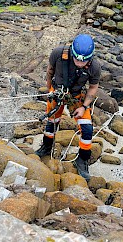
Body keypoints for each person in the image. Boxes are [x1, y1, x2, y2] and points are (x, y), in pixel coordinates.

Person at [35, 34, 101, 182]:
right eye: (76, 59)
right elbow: (50, 71)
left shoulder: (94, 67)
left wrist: (84, 107)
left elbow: (93, 86)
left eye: (83, 61)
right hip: (57, 91)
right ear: (72, 52)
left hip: (76, 96)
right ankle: (46, 146)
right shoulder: (58, 54)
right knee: (52, 121)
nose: (79, 63)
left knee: (87, 129)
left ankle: (82, 159)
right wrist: (49, 90)